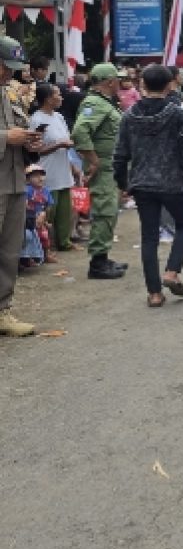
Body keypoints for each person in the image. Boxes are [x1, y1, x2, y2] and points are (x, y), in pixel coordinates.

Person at [114, 64, 183, 308]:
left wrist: (123, 183)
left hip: (142, 183)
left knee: (149, 236)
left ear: (142, 85)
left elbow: (120, 154)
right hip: (172, 182)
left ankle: (154, 293)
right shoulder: (178, 114)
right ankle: (172, 272)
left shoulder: (129, 115)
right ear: (170, 85)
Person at [0, 36, 43, 335]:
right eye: (4, 66)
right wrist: (5, 138)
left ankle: (3, 310)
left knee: (9, 250)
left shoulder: (7, 94)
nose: (8, 74)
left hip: (13, 179)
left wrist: (29, 140)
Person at [72, 62, 127, 280]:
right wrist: (93, 160)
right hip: (103, 167)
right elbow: (79, 132)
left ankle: (103, 257)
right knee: (104, 211)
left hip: (110, 167)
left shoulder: (105, 103)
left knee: (110, 211)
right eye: (117, 80)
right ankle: (97, 263)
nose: (120, 84)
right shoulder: (95, 103)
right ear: (110, 82)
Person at [28, 82, 79, 252]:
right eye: (58, 94)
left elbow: (65, 142)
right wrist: (58, 145)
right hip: (47, 171)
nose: (61, 97)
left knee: (66, 210)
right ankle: (45, 247)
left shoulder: (59, 117)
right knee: (48, 211)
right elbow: (35, 150)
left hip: (63, 169)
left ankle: (64, 242)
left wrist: (72, 166)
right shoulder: (36, 120)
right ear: (48, 99)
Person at [22, 163, 55, 266]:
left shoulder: (46, 191)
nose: (40, 178)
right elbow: (24, 205)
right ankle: (28, 258)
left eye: (41, 175)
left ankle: (46, 255)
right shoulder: (27, 190)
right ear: (27, 179)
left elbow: (48, 206)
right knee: (30, 238)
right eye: (36, 176)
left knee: (45, 237)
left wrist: (46, 219)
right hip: (30, 219)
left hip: (41, 217)